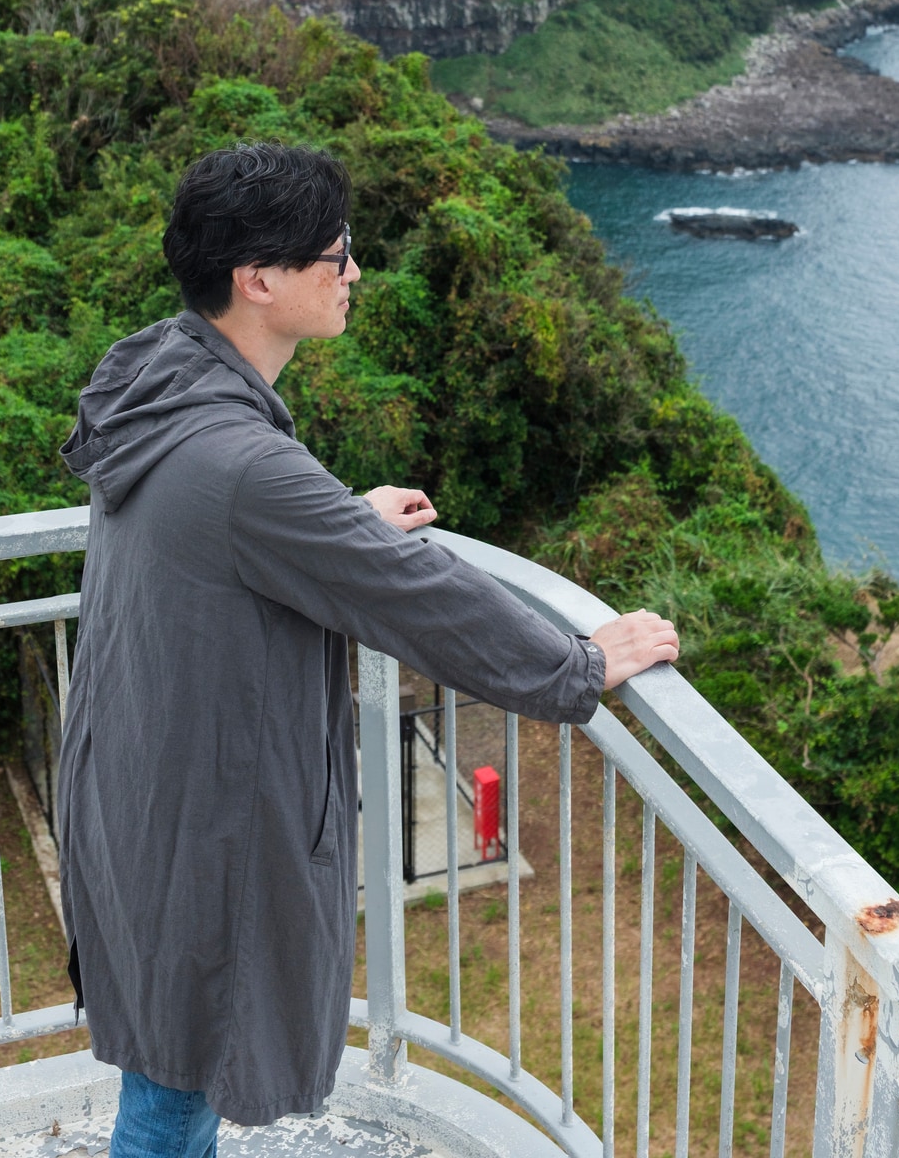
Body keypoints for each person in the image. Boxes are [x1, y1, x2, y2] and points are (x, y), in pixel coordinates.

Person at [57, 141, 678, 1157]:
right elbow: (420, 594)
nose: (353, 272)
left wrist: (334, 524)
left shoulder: (160, 382)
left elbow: (243, 533)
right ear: (258, 280)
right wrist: (579, 663)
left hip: (135, 789)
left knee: (173, 1069)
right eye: (335, 254)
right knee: (174, 1093)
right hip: (197, 826)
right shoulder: (245, 465)